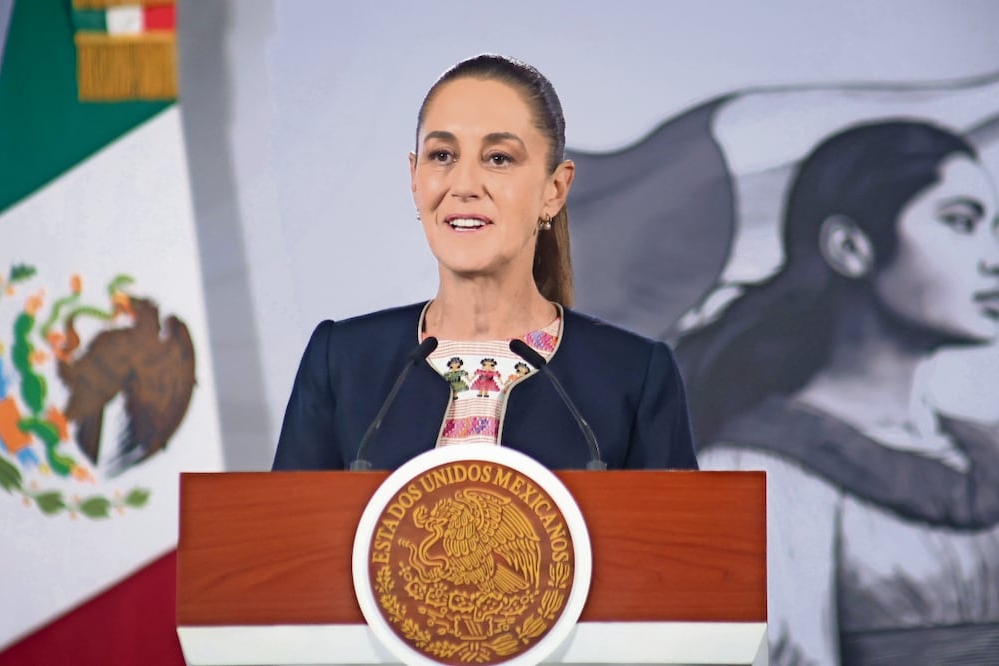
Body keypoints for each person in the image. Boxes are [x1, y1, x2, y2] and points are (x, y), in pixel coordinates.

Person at [272, 54, 697, 472]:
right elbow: (285, 537)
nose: (464, 185)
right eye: (442, 155)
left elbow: (675, 540)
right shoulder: (341, 361)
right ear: (414, 178)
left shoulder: (634, 375)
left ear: (555, 189)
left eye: (498, 158)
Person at [675, 120, 999, 664]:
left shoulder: (984, 451)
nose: (993, 256)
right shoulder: (753, 473)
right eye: (961, 223)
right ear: (851, 247)